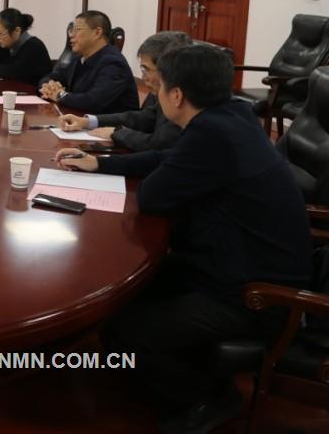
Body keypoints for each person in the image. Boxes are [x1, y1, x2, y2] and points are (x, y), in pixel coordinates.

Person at [55, 44, 311, 432]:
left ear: (176, 95)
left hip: (253, 295)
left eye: (158, 86)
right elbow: (171, 160)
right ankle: (185, 369)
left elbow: (153, 196)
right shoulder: (232, 115)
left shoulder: (212, 135)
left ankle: (206, 398)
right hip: (238, 263)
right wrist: (101, 163)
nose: (153, 92)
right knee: (128, 292)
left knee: (123, 330)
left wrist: (120, 169)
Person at [58, 31, 190, 151]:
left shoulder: (187, 102)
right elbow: (145, 118)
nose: (142, 77)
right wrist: (88, 122)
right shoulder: (163, 92)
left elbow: (158, 143)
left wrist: (117, 133)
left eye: (146, 69)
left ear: (168, 69)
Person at [38, 10, 138, 114]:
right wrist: (47, 86)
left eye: (77, 29)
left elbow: (93, 101)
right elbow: (53, 76)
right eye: (71, 30)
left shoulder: (114, 63)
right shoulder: (79, 57)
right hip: (78, 118)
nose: (71, 35)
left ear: (97, 32)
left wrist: (59, 95)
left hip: (108, 123)